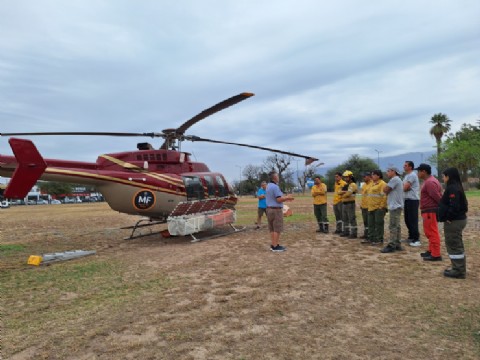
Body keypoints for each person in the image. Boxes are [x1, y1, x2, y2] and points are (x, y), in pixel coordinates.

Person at [438, 168, 468, 279]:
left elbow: (454, 206)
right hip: (458, 219)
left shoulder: (453, 188)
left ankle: (458, 271)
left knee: (454, 245)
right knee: (456, 244)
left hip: (454, 221)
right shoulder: (457, 187)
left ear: (449, 176)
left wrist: (449, 217)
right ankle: (458, 267)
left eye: (444, 176)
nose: (443, 178)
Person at [415, 163, 443, 261]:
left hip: (430, 211)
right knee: (429, 232)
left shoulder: (430, 182)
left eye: (418, 171)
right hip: (428, 211)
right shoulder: (429, 181)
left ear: (424, 172)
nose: (417, 173)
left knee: (432, 232)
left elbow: (437, 197)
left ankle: (436, 254)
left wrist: (443, 207)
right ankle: (431, 251)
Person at [266, 172, 294, 252]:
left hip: (269, 209)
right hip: (276, 210)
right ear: (274, 177)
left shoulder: (268, 186)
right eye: (277, 176)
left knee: (272, 228)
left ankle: (273, 244)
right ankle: (275, 246)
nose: (278, 177)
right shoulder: (275, 187)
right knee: (277, 228)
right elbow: (278, 199)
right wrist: (287, 198)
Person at [381, 167, 404, 253]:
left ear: (394, 172)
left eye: (388, 171)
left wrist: (385, 188)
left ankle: (392, 245)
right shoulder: (397, 179)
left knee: (393, 226)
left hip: (395, 206)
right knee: (397, 225)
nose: (387, 173)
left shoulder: (394, 179)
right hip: (397, 206)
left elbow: (385, 190)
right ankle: (397, 244)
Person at [363, 170, 387, 245]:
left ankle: (379, 239)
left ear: (378, 176)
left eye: (373, 175)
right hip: (370, 207)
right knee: (370, 224)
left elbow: (384, 196)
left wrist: (381, 206)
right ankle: (371, 238)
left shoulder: (382, 184)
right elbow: (366, 193)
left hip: (378, 208)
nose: (371, 176)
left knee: (378, 224)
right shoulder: (372, 184)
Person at [403, 161, 421, 246]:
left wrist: (403, 187)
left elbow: (405, 187)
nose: (404, 167)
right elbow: (404, 187)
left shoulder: (412, 175)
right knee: (407, 219)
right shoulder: (406, 176)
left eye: (405, 165)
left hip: (413, 200)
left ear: (410, 167)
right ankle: (411, 236)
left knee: (413, 219)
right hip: (406, 199)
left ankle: (416, 238)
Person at [339, 170, 358, 238]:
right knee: (345, 218)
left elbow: (348, 193)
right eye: (344, 177)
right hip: (344, 203)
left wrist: (342, 195)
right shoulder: (346, 185)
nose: (345, 179)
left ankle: (354, 233)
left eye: (346, 177)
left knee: (351, 218)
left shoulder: (353, 185)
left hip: (350, 204)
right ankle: (346, 231)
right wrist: (343, 193)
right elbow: (339, 192)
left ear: (350, 177)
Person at [360, 172, 372, 239]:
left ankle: (370, 234)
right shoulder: (364, 185)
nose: (363, 178)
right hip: (363, 206)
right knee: (365, 222)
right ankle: (366, 234)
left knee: (370, 222)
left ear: (369, 176)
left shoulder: (372, 184)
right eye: (363, 176)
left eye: (365, 176)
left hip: (369, 206)